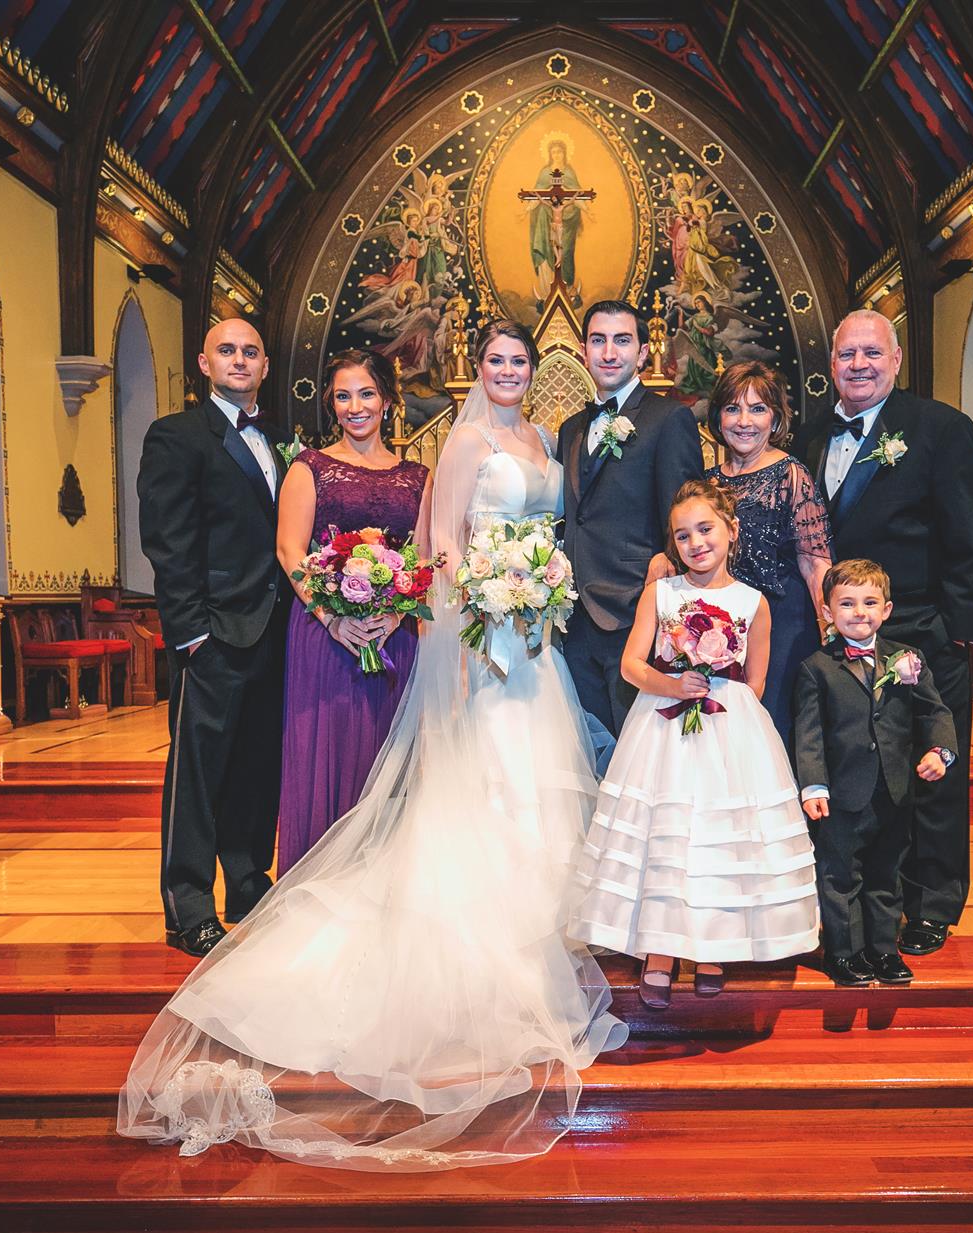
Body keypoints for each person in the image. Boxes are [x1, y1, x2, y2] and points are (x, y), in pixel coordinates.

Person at [118, 320, 627, 1170]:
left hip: (525, 638)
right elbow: (442, 545)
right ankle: (196, 899)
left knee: (531, 778)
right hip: (453, 629)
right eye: (495, 359)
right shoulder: (445, 445)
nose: (506, 370)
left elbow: (475, 544)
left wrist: (532, 588)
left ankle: (544, 928)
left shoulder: (542, 441)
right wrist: (462, 609)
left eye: (518, 361)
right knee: (438, 776)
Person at [567, 481, 819, 1009]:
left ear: (732, 529)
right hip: (664, 726)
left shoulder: (752, 603)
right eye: (682, 536)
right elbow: (631, 665)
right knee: (667, 834)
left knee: (716, 839)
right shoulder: (662, 595)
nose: (695, 543)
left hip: (728, 734)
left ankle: (712, 948)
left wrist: (728, 720)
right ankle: (659, 950)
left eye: (705, 529)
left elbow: (755, 681)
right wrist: (673, 685)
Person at [792, 310, 973, 959]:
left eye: (871, 352)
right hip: (837, 644)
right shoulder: (811, 436)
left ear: (897, 358)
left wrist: (954, 636)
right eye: (847, 354)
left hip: (918, 636)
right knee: (858, 772)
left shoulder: (940, 429)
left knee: (931, 770)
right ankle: (855, 899)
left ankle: (932, 901)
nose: (859, 364)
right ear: (831, 365)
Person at [137, 319, 289, 957]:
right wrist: (191, 633)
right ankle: (188, 905)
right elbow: (167, 542)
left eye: (250, 352)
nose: (239, 360)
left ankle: (248, 883)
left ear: (264, 366)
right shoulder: (176, 436)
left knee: (256, 765)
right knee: (197, 772)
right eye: (227, 350)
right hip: (213, 633)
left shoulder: (276, 442)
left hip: (273, 631)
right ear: (204, 363)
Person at [273, 349, 431, 875]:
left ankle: (386, 882)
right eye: (343, 396)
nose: (355, 407)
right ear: (331, 403)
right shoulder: (309, 468)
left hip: (394, 635)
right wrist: (334, 619)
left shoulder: (419, 477)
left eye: (366, 394)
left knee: (390, 754)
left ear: (387, 401)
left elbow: (424, 558)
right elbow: (290, 551)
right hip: (326, 636)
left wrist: (398, 615)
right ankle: (322, 878)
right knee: (330, 751)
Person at [794, 559, 957, 987]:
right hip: (841, 793)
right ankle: (843, 953)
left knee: (886, 873)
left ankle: (883, 950)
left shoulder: (908, 659)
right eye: (847, 603)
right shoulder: (816, 667)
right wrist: (814, 785)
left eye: (869, 602)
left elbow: (934, 712)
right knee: (840, 876)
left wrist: (940, 751)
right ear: (827, 611)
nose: (859, 612)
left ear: (886, 609)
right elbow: (809, 734)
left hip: (894, 789)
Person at [558, 299, 705, 742]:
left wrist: (666, 563)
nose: (609, 352)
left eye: (622, 341)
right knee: (589, 750)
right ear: (583, 350)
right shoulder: (571, 428)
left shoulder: (669, 418)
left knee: (639, 750)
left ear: (642, 352)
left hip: (635, 613)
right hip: (573, 617)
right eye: (598, 340)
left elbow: (687, 512)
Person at [708, 361, 831, 742]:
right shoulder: (709, 482)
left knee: (768, 731)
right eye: (733, 408)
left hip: (782, 625)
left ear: (775, 419)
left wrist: (832, 632)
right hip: (722, 625)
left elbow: (815, 562)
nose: (744, 421)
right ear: (718, 418)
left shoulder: (791, 475)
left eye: (757, 409)